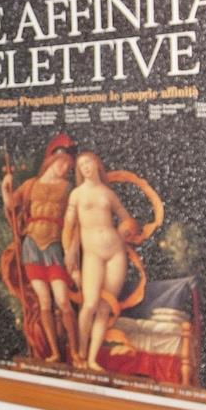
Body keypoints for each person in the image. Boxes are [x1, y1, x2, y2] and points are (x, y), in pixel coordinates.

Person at [0, 135, 78, 363]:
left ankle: (75, 351)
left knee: (62, 300)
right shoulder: (30, 184)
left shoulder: (69, 189)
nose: (65, 168)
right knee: (44, 300)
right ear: (51, 160)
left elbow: (75, 223)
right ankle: (54, 352)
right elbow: (11, 204)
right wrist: (5, 187)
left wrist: (73, 249)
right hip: (31, 247)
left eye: (69, 165)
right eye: (62, 163)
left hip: (54, 247)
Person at [64, 150, 141, 370]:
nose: (86, 167)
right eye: (81, 165)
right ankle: (80, 353)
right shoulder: (77, 194)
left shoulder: (108, 193)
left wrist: (128, 229)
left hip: (116, 252)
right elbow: (69, 226)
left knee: (104, 309)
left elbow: (127, 219)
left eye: (88, 162)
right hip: (93, 253)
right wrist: (70, 251)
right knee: (89, 305)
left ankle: (92, 359)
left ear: (97, 163)